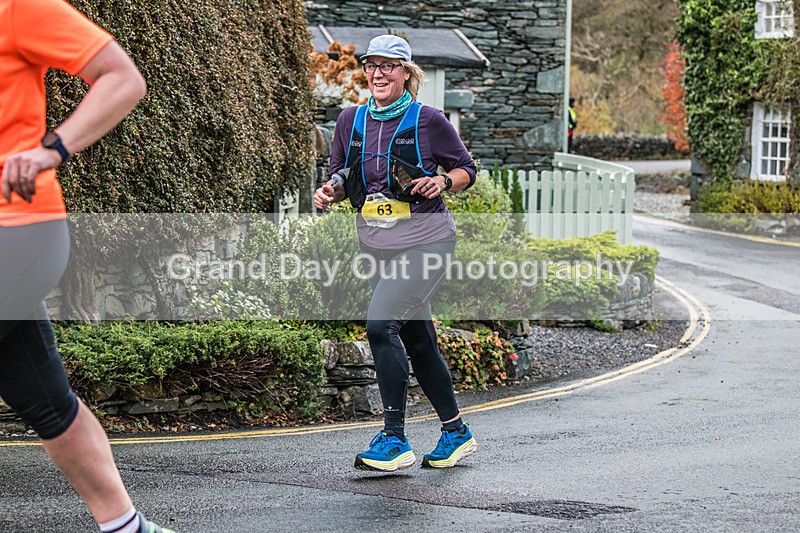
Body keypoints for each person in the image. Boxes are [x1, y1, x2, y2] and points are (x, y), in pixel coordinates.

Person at [0, 1, 173, 531]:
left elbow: (122, 77)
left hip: (17, 228)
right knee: (45, 398)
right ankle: (126, 526)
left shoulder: (17, 7)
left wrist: (53, 149)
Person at [314, 34, 478, 472]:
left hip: (427, 240)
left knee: (381, 324)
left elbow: (467, 169)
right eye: (372, 65)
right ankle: (456, 432)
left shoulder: (429, 120)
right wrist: (330, 190)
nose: (379, 73)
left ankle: (394, 438)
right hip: (376, 244)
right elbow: (341, 174)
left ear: (406, 73)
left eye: (389, 66)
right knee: (418, 341)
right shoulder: (350, 120)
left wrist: (443, 182)